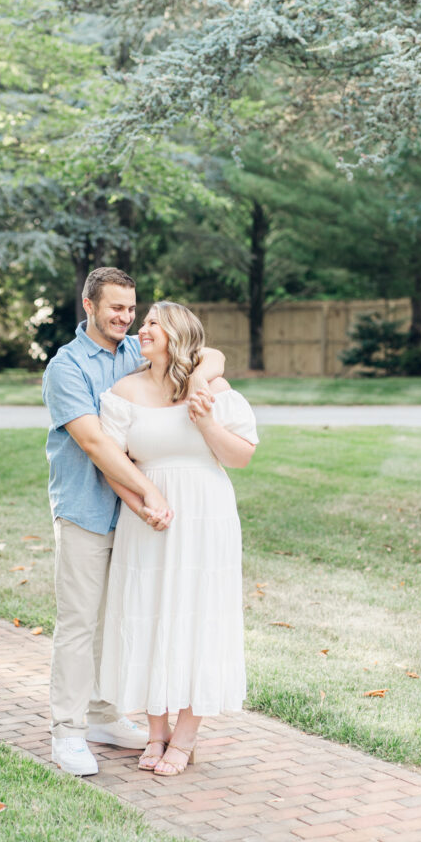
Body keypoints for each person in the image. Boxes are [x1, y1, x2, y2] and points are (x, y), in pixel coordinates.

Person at [42, 269, 226, 776]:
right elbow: (96, 443)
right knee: (79, 623)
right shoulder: (67, 367)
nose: (125, 318)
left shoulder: (133, 351)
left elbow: (208, 354)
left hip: (135, 520)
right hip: (85, 508)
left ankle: (102, 715)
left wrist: (201, 384)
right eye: (114, 308)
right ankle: (68, 731)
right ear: (88, 305)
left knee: (117, 618)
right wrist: (150, 491)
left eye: (131, 308)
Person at [97, 301, 258, 776]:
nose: (141, 329)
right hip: (149, 522)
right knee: (148, 616)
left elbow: (241, 457)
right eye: (142, 321)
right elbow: (113, 464)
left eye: (152, 323)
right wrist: (142, 508)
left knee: (200, 619)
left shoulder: (214, 389)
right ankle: (155, 732)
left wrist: (205, 418)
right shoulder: (123, 392)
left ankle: (184, 739)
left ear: (177, 334)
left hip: (207, 518)